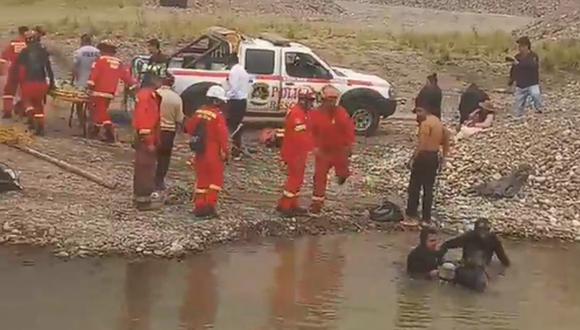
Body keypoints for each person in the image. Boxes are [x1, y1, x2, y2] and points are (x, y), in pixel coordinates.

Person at [309, 85, 356, 215]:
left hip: (339, 150)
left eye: (334, 100)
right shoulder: (315, 114)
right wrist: (314, 147)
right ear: (322, 99)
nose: (332, 103)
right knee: (319, 177)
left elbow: (349, 130)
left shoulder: (341, 112)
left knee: (342, 172)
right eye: (329, 100)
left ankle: (342, 176)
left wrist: (350, 146)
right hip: (323, 151)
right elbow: (311, 132)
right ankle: (317, 203)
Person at [185, 85, 229, 219]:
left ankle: (199, 207)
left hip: (200, 152)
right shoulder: (217, 116)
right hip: (213, 152)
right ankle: (209, 208)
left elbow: (190, 129)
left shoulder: (199, 112)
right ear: (216, 101)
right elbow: (222, 136)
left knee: (202, 181)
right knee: (215, 181)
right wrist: (226, 153)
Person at [403, 106, 450, 226]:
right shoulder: (438, 122)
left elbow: (422, 144)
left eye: (419, 111)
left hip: (423, 157)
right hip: (434, 157)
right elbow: (446, 138)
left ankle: (412, 215)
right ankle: (426, 218)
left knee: (414, 187)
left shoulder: (425, 124)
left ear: (426, 110)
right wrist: (444, 157)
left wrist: (413, 158)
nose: (417, 115)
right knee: (428, 189)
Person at [87, 39, 137, 142]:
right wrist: (133, 85)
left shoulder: (100, 61)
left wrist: (90, 85)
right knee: (102, 110)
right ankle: (96, 130)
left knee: (99, 111)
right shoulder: (119, 62)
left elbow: (94, 75)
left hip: (98, 91)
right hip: (110, 92)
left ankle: (108, 130)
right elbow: (126, 76)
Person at [276, 88, 315, 217]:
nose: (311, 104)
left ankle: (292, 204)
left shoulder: (304, 112)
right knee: (295, 179)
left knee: (298, 179)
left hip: (300, 151)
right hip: (294, 151)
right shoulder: (297, 114)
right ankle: (286, 206)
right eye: (310, 101)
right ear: (303, 100)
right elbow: (300, 137)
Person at [13, 31, 55, 135]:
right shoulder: (43, 51)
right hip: (42, 83)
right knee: (39, 105)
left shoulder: (24, 52)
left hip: (28, 83)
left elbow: (20, 69)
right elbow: (49, 69)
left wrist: (18, 81)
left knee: (27, 103)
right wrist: (52, 83)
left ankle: (31, 119)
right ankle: (40, 126)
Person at [132, 75, 162, 211]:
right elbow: (145, 119)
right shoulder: (147, 97)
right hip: (146, 139)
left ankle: (141, 198)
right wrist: (149, 140)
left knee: (144, 169)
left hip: (146, 137)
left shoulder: (147, 95)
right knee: (145, 169)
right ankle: (143, 201)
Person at [439, 218, 510, 267]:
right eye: (481, 230)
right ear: (475, 230)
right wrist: (440, 260)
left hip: (484, 268)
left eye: (485, 230)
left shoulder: (493, 240)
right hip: (467, 265)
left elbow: (503, 259)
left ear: (489, 230)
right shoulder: (469, 236)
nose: (483, 234)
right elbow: (447, 244)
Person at [154, 73, 184, 191]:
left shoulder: (154, 94)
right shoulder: (176, 98)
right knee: (164, 158)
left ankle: (149, 179)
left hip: (155, 129)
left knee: (152, 155)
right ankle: (159, 181)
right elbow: (179, 119)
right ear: (172, 83)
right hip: (168, 132)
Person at [72, 34, 100, 133]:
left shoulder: (78, 52)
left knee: (79, 103)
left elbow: (75, 67)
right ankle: (93, 123)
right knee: (92, 104)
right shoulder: (97, 52)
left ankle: (81, 122)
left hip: (81, 81)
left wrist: (74, 79)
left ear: (82, 41)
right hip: (95, 82)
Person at [508, 36, 542, 118]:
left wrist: (519, 64)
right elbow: (514, 69)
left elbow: (533, 66)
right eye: (519, 46)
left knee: (536, 95)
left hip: (532, 83)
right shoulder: (517, 57)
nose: (520, 48)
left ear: (527, 46)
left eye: (522, 46)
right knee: (518, 105)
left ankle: (539, 111)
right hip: (521, 85)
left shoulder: (533, 56)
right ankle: (518, 117)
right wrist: (511, 79)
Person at [225, 53, 250, 160]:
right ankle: (236, 150)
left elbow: (234, 88)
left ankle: (233, 150)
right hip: (242, 100)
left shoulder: (234, 71)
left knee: (232, 127)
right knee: (237, 126)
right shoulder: (243, 70)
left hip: (235, 101)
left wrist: (225, 96)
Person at [1, 26, 28, 119]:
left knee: (9, 90)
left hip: (14, 68)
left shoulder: (14, 42)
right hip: (25, 69)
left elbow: (4, 56)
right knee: (25, 90)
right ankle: (24, 110)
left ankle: (7, 111)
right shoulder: (28, 44)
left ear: (19, 32)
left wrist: (1, 68)